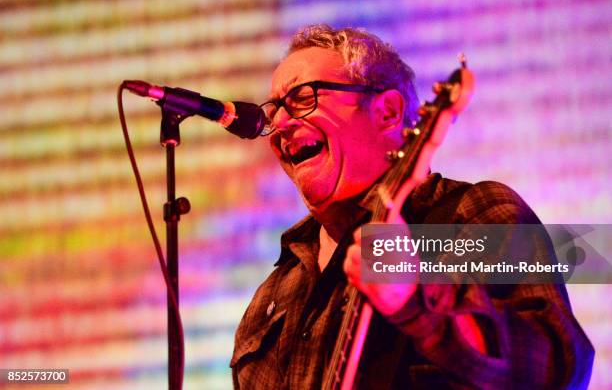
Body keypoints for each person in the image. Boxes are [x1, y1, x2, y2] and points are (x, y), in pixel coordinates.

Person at [230, 24, 594, 389]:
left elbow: (557, 370)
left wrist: (418, 300)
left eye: (302, 97)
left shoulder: (470, 217)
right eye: (274, 110)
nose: (277, 125)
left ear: (388, 112)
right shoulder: (277, 290)